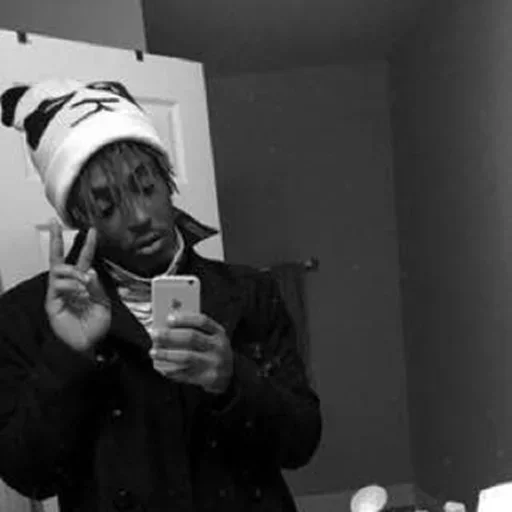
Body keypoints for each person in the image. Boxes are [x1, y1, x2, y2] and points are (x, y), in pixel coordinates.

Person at [0, 79, 322, 512]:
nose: (138, 216)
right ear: (79, 217)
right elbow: (30, 475)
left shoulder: (249, 293)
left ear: (167, 183)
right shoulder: (26, 315)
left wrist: (232, 380)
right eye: (107, 206)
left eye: (146, 188)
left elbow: (301, 441)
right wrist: (69, 357)